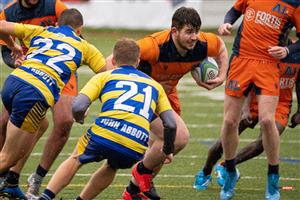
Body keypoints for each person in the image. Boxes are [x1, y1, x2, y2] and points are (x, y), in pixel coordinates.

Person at [104, 6, 228, 200]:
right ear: (174, 31)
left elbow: (220, 47)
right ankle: (141, 172)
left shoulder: (203, 44)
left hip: (166, 96)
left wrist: (221, 76)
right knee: (178, 137)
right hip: (144, 97)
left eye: (196, 31)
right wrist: (104, 87)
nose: (194, 37)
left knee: (162, 151)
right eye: (189, 32)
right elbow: (113, 61)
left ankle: (133, 192)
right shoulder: (153, 46)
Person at [38, 38, 177, 200]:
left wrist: (79, 118)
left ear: (113, 60)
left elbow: (78, 106)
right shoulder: (155, 86)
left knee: (76, 158)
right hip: (135, 146)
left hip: (105, 133)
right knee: (113, 165)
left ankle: (45, 197)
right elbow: (171, 124)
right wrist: (167, 150)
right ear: (138, 61)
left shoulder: (104, 76)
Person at [0, 7, 106, 199]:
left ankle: (11, 182)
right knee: (9, 157)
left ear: (57, 24)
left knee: (43, 124)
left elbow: (1, 26)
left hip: (13, 83)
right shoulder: (85, 47)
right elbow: (108, 76)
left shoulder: (41, 30)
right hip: (34, 94)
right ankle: (7, 179)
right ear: (79, 30)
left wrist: (12, 46)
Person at [218, 1, 300, 199]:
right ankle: (229, 172)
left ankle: (273, 177)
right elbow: (235, 11)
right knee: (230, 121)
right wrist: (226, 23)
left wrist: (288, 51)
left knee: (266, 120)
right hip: (241, 60)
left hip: (268, 64)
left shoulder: (294, 4)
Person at [193, 52, 300, 190]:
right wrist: (245, 108)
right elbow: (249, 77)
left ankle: (226, 166)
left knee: (263, 142)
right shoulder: (265, 49)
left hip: (281, 103)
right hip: (255, 98)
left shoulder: (295, 52)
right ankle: (205, 173)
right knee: (225, 138)